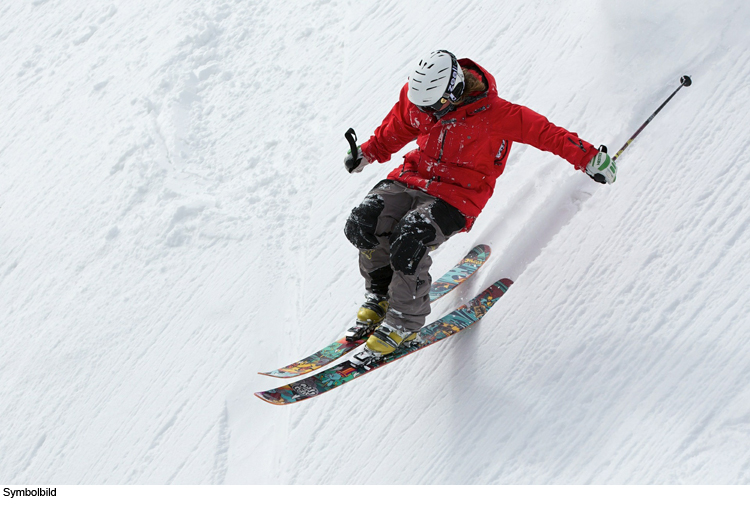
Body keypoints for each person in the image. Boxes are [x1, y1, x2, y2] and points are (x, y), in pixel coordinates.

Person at [343, 50, 617, 360]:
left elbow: (548, 134)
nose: (428, 113)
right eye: (422, 106)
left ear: (455, 89)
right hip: (413, 177)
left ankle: (405, 320)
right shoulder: (421, 97)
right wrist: (368, 151)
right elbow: (400, 125)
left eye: (434, 106)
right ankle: (381, 293)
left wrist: (589, 157)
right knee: (362, 222)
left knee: (409, 238)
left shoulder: (499, 115)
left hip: (458, 195)